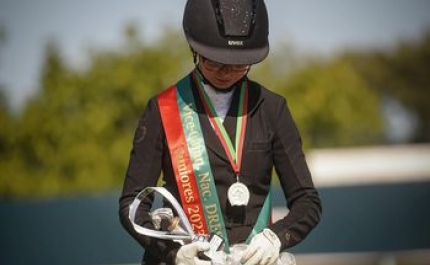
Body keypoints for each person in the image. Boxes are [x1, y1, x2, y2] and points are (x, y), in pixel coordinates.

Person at [119, 0, 322, 264]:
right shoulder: (162, 110)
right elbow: (132, 207)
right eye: (214, 62)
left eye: (239, 64)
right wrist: (173, 253)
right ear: (195, 50)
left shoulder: (273, 109)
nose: (227, 72)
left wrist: (276, 237)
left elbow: (307, 201)